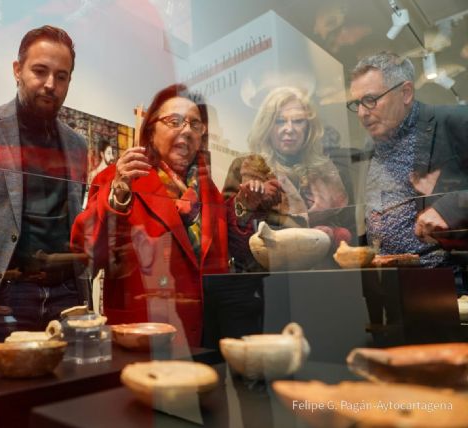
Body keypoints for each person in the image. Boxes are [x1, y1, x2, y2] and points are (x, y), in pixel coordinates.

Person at [0, 25, 88, 337]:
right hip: (1, 293)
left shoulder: (77, 145)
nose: (50, 84)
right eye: (40, 71)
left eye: (61, 76)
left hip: (66, 295)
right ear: (17, 70)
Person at [71, 83, 228, 346]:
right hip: (142, 339)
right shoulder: (117, 179)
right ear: (151, 130)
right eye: (174, 121)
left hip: (204, 340)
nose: (186, 130)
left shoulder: (211, 194)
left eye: (195, 124)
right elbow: (85, 259)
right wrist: (118, 194)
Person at [349, 52, 468, 293]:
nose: (362, 113)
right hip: (385, 287)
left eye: (370, 100)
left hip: (445, 283)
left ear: (405, 93)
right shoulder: (370, 146)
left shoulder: (453, 121)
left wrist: (450, 208)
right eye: (357, 103)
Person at [223, 86, 351, 272]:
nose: (289, 129)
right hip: (267, 279)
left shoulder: (326, 171)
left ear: (309, 128)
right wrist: (248, 204)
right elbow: (230, 237)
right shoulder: (246, 167)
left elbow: (348, 232)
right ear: (267, 126)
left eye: (298, 121)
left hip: (324, 275)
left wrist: (332, 234)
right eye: (279, 121)